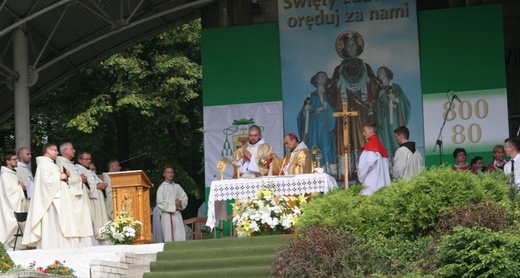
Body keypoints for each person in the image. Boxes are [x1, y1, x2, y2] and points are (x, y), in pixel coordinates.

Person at [331, 30, 381, 180]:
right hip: (346, 107)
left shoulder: (365, 67)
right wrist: (338, 84)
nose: (351, 48)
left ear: (358, 48)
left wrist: (367, 81)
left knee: (361, 134)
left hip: (361, 107)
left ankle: (364, 170)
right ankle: (347, 171)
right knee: (347, 137)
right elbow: (331, 90)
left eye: (354, 45)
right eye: (349, 45)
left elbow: (376, 84)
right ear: (344, 49)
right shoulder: (339, 70)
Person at [23, 143, 77, 249]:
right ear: (48, 150)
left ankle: (61, 245)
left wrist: (65, 177)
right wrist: (61, 176)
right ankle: (54, 245)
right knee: (53, 225)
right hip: (52, 202)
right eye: (55, 150)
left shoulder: (50, 164)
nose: (57, 152)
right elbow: (47, 182)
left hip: (57, 199)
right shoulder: (44, 164)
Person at [296, 71, 337, 174]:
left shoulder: (330, 96)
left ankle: (328, 169)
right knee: (314, 145)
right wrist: (306, 110)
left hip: (326, 124)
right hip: (314, 125)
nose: (322, 78)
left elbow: (336, 111)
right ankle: (315, 170)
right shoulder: (312, 96)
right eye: (320, 76)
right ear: (316, 79)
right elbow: (302, 115)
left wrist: (328, 107)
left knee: (326, 145)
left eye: (324, 76)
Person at [56, 142, 93, 247]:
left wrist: (81, 178)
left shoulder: (69, 164)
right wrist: (80, 179)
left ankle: (85, 244)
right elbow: (66, 180)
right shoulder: (61, 163)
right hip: (74, 198)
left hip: (80, 197)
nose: (74, 151)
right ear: (65, 151)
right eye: (72, 149)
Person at [76, 151, 110, 245]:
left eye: (90, 159)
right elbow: (84, 186)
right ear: (79, 160)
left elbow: (95, 181)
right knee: (93, 224)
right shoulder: (78, 170)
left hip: (99, 201)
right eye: (86, 159)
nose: (89, 161)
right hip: (91, 202)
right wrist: (96, 187)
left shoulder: (89, 171)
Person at [376, 67, 411, 157]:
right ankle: (386, 161)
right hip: (382, 117)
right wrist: (376, 98)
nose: (379, 72)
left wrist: (395, 99)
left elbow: (405, 102)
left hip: (393, 117)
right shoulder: (378, 90)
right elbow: (373, 106)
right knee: (383, 138)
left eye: (381, 71)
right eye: (378, 71)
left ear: (387, 73)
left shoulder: (395, 87)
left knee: (394, 136)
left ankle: (398, 157)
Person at [0, 152, 28, 249]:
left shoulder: (13, 173)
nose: (17, 161)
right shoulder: (4, 175)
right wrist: (19, 188)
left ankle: (20, 245)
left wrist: (21, 188)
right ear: (8, 161)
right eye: (14, 159)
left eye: (17, 159)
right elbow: (8, 193)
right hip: (9, 206)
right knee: (11, 224)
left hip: (17, 203)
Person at [156, 166, 188, 242]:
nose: (170, 174)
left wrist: (180, 203)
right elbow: (160, 203)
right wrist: (173, 204)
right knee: (169, 236)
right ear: (164, 174)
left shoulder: (177, 187)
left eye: (172, 172)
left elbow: (184, 198)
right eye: (168, 172)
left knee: (180, 234)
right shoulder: (161, 188)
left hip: (177, 214)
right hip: (167, 215)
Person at [357, 123, 391, 195]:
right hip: (382, 182)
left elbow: (366, 164)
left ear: (370, 131)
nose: (363, 133)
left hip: (371, 182)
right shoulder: (381, 146)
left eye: (364, 131)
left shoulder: (370, 147)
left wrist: (359, 172)